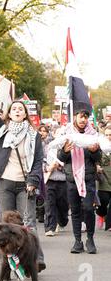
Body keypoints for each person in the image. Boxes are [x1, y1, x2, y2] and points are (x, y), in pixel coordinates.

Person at [0, 75, 46, 271]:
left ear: (25, 113)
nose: (17, 110)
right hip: (5, 184)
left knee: (28, 224)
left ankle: (37, 260)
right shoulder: (2, 130)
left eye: (21, 109)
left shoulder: (34, 135)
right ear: (9, 114)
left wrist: (33, 181)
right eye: (14, 109)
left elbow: (37, 160)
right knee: (5, 227)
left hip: (25, 185)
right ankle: (6, 264)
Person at [57, 105, 101, 254]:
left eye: (85, 117)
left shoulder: (93, 134)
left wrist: (94, 151)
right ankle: (77, 241)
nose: (83, 120)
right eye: (80, 116)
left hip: (88, 177)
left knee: (88, 208)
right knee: (75, 210)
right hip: (71, 178)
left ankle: (90, 239)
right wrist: (65, 151)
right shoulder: (66, 133)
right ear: (74, 117)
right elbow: (61, 157)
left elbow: (98, 157)